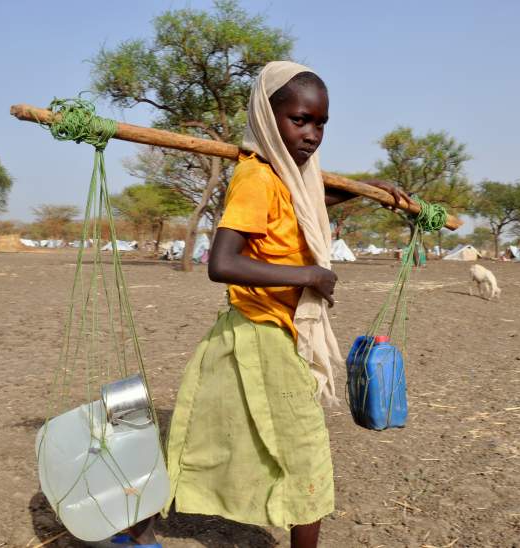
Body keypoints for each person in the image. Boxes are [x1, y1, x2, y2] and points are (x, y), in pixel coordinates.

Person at [118, 62, 410, 548]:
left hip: (254, 330)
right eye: (300, 120)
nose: (313, 134)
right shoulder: (254, 177)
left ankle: (136, 533)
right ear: (266, 115)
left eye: (321, 123)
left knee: (201, 440)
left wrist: (371, 191)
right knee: (307, 457)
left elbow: (303, 202)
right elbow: (222, 263)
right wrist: (309, 275)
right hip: (260, 333)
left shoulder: (287, 177)